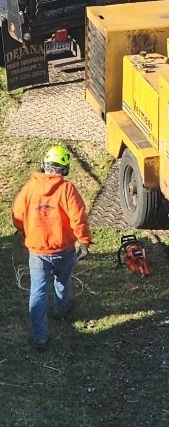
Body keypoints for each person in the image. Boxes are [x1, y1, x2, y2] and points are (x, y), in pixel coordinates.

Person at [12, 143, 92, 352]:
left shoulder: (30, 187)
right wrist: (83, 241)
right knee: (63, 281)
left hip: (37, 252)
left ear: (43, 165)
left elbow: (17, 215)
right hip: (63, 249)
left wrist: (25, 230)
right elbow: (78, 218)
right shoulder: (67, 190)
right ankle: (61, 310)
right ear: (65, 169)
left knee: (37, 292)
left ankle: (40, 338)